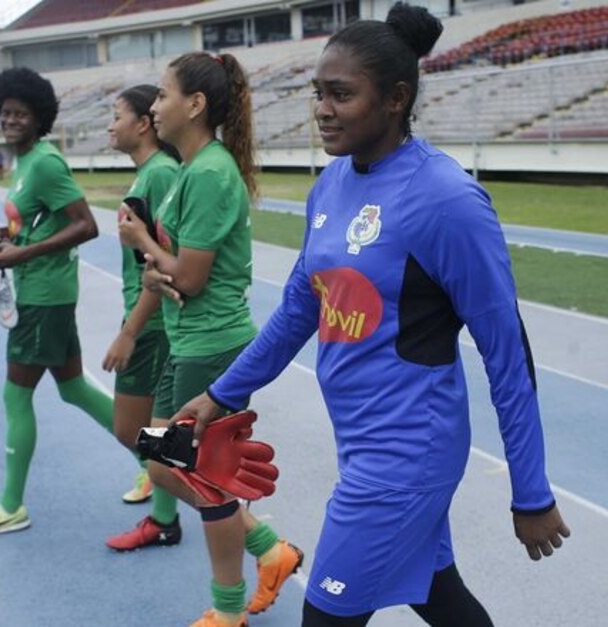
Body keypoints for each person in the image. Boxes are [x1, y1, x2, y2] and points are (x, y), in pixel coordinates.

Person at [177, 4, 571, 626]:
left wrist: (532, 492)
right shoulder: (330, 186)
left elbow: (507, 352)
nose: (323, 109)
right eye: (318, 94)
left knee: (327, 616)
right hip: (362, 442)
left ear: (395, 100)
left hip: (409, 452)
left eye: (341, 94)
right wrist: (222, 395)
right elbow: (298, 309)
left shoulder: (446, 199)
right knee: (438, 595)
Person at [112, 52, 302, 627]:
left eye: (163, 95)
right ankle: (269, 549)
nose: (154, 106)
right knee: (163, 457)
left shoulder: (211, 172)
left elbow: (190, 278)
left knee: (196, 472)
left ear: (194, 105)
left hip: (211, 342)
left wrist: (144, 240)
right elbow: (174, 270)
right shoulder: (193, 170)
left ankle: (229, 609)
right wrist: (154, 268)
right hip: (188, 339)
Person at [0, 67, 116, 536]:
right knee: (74, 390)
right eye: (5, 112)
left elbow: (85, 224)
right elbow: (35, 221)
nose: (10, 120)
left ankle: (10, 506)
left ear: (39, 117)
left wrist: (22, 252)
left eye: (21, 114)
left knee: (15, 393)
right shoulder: (23, 162)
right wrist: (3, 236)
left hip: (44, 298)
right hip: (43, 292)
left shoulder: (45, 163)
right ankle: (153, 460)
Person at [102, 85, 179, 504]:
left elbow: (163, 266)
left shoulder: (161, 174)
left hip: (152, 321)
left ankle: (239, 521)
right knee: (151, 434)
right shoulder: (149, 174)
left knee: (136, 432)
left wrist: (130, 331)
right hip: (143, 317)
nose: (111, 126)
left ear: (144, 123)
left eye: (117, 116)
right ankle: (167, 514)